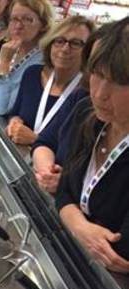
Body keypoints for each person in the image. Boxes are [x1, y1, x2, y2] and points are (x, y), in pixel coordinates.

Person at [56, 17, 129, 273]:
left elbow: (120, 253)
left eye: (120, 82)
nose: (100, 93)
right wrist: (80, 226)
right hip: (74, 263)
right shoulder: (87, 115)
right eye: (97, 75)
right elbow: (64, 190)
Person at [32, 22, 109, 194]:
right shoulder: (82, 102)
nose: (102, 93)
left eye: (75, 43)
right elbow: (44, 142)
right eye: (97, 73)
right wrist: (47, 172)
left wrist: (66, 184)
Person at [5, 16, 93, 147]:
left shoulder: (88, 95)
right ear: (50, 44)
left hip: (48, 166)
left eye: (75, 43)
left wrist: (36, 140)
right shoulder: (32, 74)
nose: (65, 49)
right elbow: (15, 112)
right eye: (59, 41)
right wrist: (14, 121)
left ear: (90, 51)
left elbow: (79, 150)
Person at [0, 0, 53, 115]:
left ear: (43, 25)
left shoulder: (41, 61)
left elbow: (3, 108)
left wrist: (4, 63)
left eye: (27, 20)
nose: (18, 26)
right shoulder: (13, 49)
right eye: (14, 19)